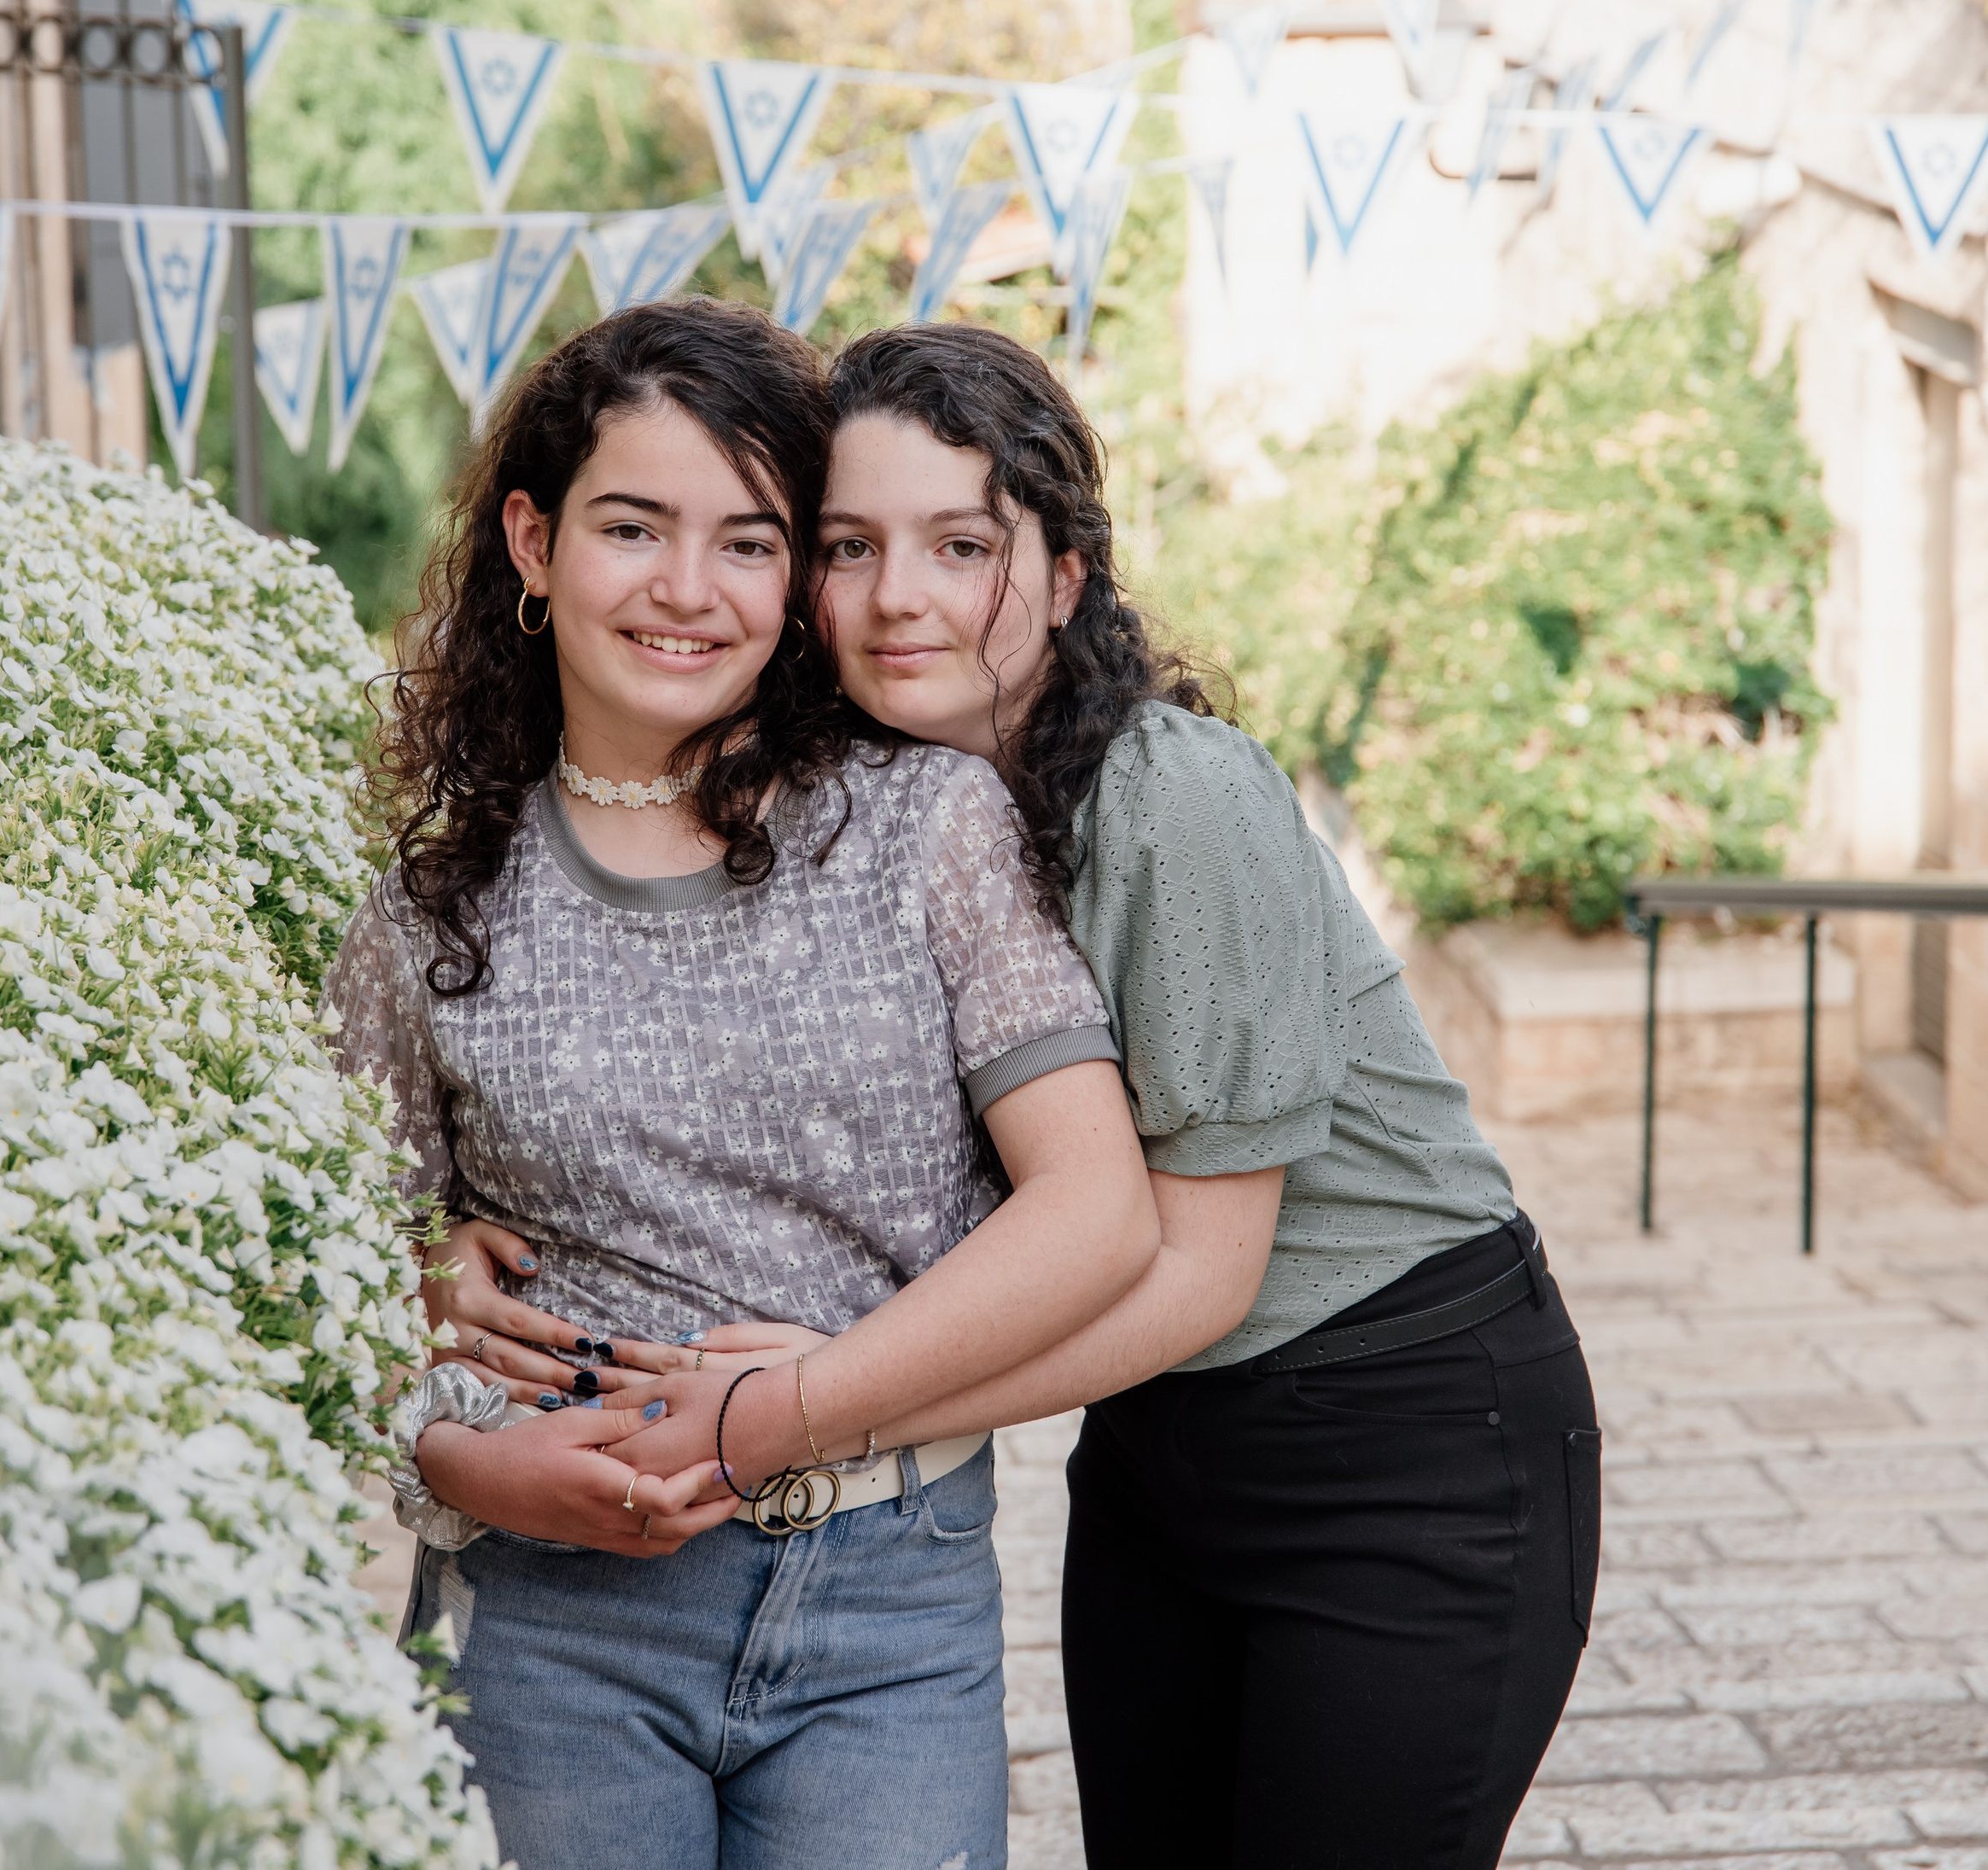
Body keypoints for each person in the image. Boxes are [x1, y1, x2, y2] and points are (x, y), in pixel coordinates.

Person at [325, 300, 1157, 1870]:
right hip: (547, 1618)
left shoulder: (927, 827)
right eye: (632, 527)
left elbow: (1097, 1210)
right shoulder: (431, 912)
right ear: (533, 540)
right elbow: (342, 1292)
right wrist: (457, 1454)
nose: (688, 590)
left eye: (752, 543)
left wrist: (795, 1408)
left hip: (887, 1594)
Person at [785, 323, 1598, 1870]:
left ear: (1067, 577)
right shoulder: (877, 813)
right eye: (849, 546)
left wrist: (816, 1417)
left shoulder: (1174, 795)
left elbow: (1204, 1271)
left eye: (963, 546)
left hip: (1404, 1447)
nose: (898, 598)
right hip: (1158, 1453)